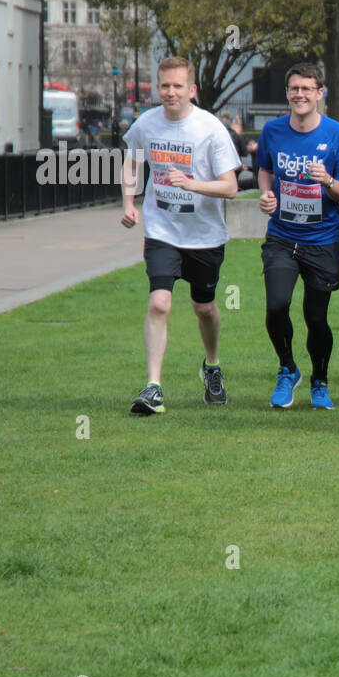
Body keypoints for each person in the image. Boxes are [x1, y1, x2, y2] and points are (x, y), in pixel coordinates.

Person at [120, 56, 241, 414]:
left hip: (204, 236)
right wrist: (129, 202)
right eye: (164, 86)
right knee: (160, 303)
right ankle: (153, 387)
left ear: (192, 90)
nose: (170, 93)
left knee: (204, 307)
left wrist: (191, 184)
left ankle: (212, 365)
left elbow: (231, 187)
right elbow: (131, 161)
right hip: (162, 230)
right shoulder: (146, 124)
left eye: (177, 86)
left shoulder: (210, 129)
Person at [255, 62, 339, 409]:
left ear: (320, 93)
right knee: (277, 305)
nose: (300, 95)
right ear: (287, 93)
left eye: (307, 89)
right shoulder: (273, 131)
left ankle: (320, 381)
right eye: (294, 89)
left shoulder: (338, 134)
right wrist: (266, 194)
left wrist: (326, 179)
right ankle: (287, 369)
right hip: (282, 236)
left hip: (322, 240)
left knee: (316, 317)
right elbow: (264, 169)